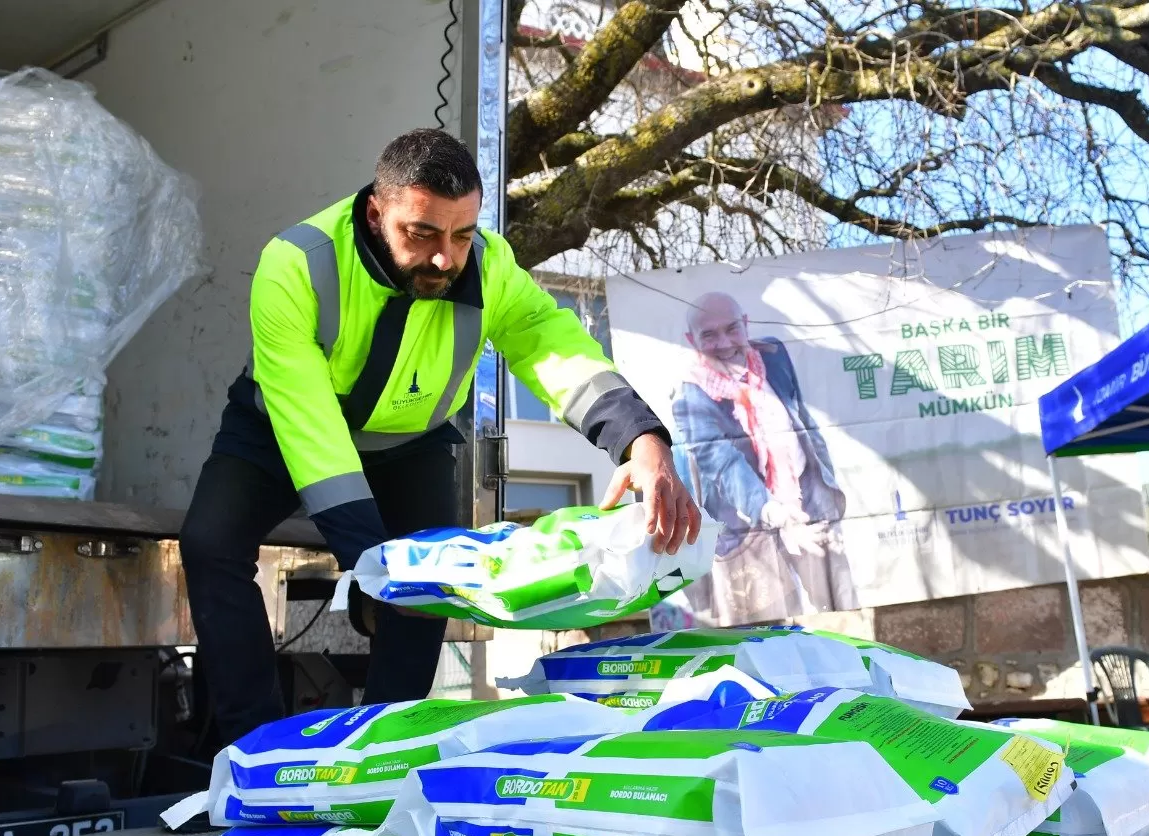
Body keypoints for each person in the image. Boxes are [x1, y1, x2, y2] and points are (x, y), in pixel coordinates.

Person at [180, 129, 699, 743]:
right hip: (281, 427)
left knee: (428, 589)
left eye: (461, 235)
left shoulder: (490, 264)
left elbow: (552, 347)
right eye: (421, 233)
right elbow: (310, 427)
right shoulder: (295, 262)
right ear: (377, 212)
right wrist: (369, 557)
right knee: (209, 542)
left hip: (411, 442)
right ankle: (253, 749)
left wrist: (641, 439)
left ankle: (384, 748)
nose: (444, 259)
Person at [670, 291, 854, 622]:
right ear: (691, 340)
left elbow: (801, 419)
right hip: (747, 525)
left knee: (839, 611)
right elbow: (722, 463)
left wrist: (824, 485)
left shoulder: (773, 355)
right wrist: (773, 512)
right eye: (709, 335)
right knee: (771, 630)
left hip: (807, 500)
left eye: (732, 329)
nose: (724, 342)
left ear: (745, 324)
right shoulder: (691, 395)